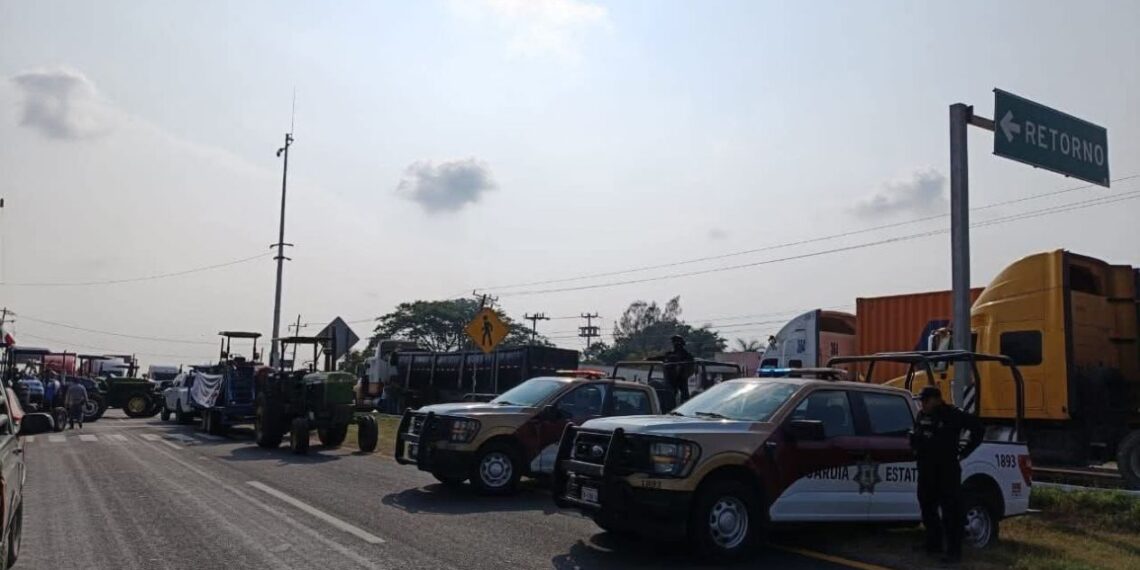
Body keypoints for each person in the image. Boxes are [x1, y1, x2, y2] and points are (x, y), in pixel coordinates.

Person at [910, 386, 984, 563]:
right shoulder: (922, 416)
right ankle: (933, 543)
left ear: (936, 399)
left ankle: (953, 552)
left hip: (946, 470)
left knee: (951, 511)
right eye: (922, 400)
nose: (923, 404)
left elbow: (978, 429)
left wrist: (965, 451)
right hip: (927, 469)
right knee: (927, 507)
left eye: (925, 400)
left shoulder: (953, 414)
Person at [650, 335, 696, 405]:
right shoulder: (670, 354)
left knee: (684, 395)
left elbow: (691, 367)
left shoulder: (687, 356)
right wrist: (650, 359)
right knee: (670, 396)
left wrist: (682, 370)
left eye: (677, 343)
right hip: (671, 379)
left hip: (681, 379)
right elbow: (662, 358)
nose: (676, 345)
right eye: (674, 343)